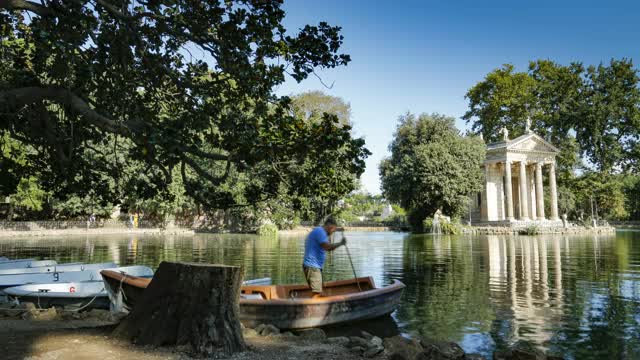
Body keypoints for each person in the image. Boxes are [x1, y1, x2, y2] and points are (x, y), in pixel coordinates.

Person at [303, 217, 346, 298]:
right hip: (312, 266)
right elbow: (328, 247)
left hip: (314, 266)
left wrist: (339, 229)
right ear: (329, 226)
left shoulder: (320, 231)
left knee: (319, 291)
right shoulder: (321, 232)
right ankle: (313, 309)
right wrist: (341, 243)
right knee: (317, 293)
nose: (333, 232)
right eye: (333, 230)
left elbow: (331, 232)